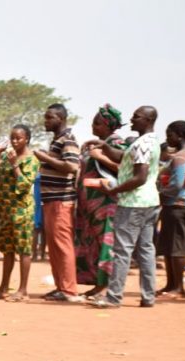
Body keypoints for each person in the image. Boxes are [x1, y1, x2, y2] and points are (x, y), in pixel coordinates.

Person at [90, 106, 162, 309]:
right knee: (146, 250)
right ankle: (148, 297)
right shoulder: (147, 141)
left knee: (123, 251)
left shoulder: (143, 144)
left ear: (148, 120)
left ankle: (114, 297)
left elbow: (140, 177)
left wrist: (113, 190)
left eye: (137, 117)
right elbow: (122, 158)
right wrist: (104, 146)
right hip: (149, 202)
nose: (132, 119)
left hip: (133, 203)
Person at [75, 104, 126, 299]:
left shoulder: (117, 143)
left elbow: (124, 169)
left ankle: (107, 287)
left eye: (97, 123)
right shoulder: (95, 144)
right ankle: (98, 284)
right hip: (90, 204)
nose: (93, 126)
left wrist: (99, 157)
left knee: (107, 245)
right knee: (93, 245)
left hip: (106, 203)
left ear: (108, 125)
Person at [0, 125, 40, 301]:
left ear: (27, 139)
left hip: (22, 211)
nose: (15, 141)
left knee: (23, 250)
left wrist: (15, 164)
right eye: (12, 138)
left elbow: (24, 184)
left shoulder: (31, 160)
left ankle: (23, 290)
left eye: (19, 138)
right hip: (6, 211)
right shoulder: (8, 157)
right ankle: (4, 287)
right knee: (8, 250)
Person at [35, 104, 82, 303]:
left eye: (49, 117)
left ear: (61, 118)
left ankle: (69, 290)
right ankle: (61, 286)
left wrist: (44, 157)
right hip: (51, 200)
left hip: (61, 200)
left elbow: (72, 166)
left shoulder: (68, 140)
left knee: (62, 245)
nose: (46, 121)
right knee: (54, 246)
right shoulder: (57, 140)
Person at [157, 120, 185, 297]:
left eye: (169, 135)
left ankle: (178, 287)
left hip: (176, 205)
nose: (167, 139)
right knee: (175, 246)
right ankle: (171, 285)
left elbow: (177, 183)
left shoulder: (181, 156)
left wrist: (159, 193)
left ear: (179, 136)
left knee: (175, 247)